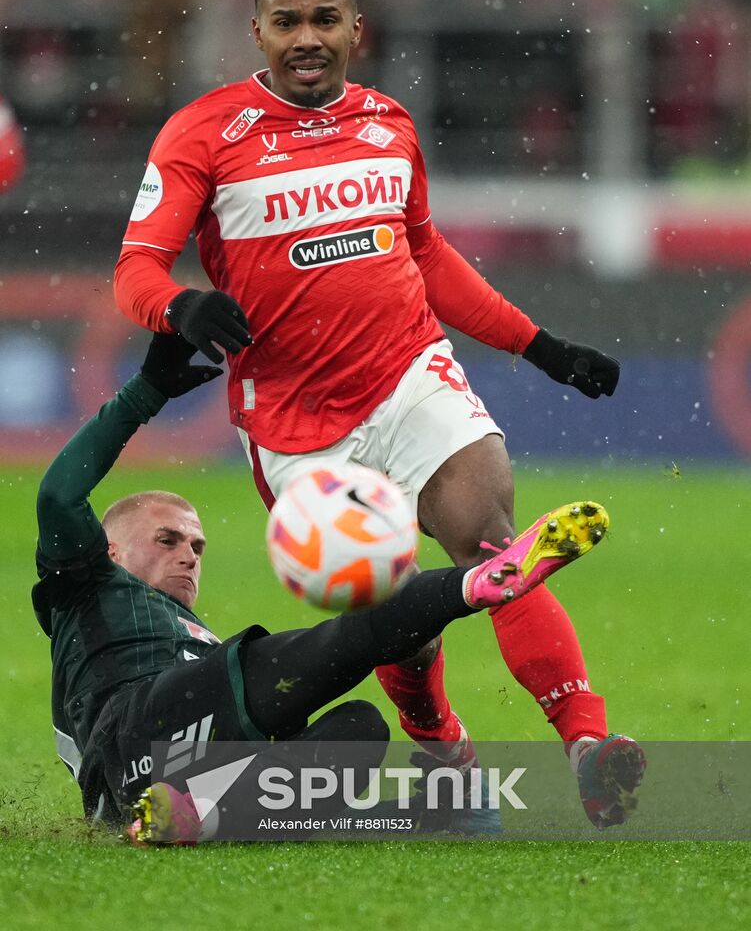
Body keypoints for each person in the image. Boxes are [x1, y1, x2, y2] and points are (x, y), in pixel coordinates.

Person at [112, 0, 644, 819]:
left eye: (325, 19)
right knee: (396, 609)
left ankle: (587, 743)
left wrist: (538, 346)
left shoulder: (389, 123)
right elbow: (137, 267)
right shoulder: (203, 134)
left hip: (408, 375)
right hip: (296, 421)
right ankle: (440, 740)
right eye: (287, 22)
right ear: (258, 30)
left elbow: (425, 253)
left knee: (488, 538)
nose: (307, 38)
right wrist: (181, 308)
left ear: (357, 27)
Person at [34, 332, 631, 842]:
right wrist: (146, 391)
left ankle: (208, 819)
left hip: (163, 778)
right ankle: (476, 583)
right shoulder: (86, 586)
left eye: (197, 546)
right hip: (131, 737)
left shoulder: (189, 639)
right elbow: (58, 494)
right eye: (168, 540)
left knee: (359, 729)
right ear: (109, 549)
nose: (189, 555)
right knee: (334, 644)